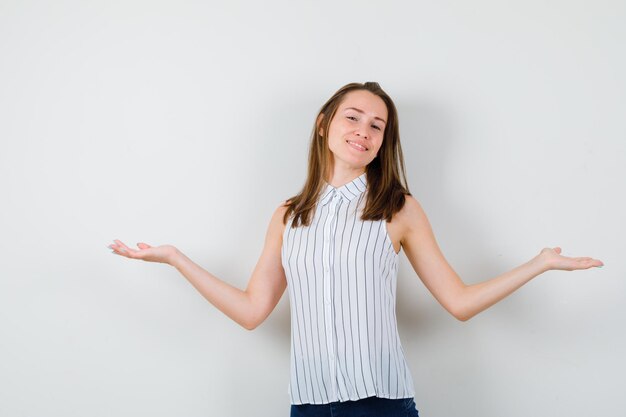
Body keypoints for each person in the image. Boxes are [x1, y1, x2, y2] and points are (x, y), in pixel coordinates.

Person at [108, 81, 604, 417]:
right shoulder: (288, 214)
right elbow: (252, 310)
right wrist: (176, 259)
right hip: (308, 403)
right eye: (353, 117)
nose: (362, 132)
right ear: (324, 124)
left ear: (383, 141)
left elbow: (459, 302)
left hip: (381, 403)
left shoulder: (397, 208)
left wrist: (538, 265)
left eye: (376, 125)